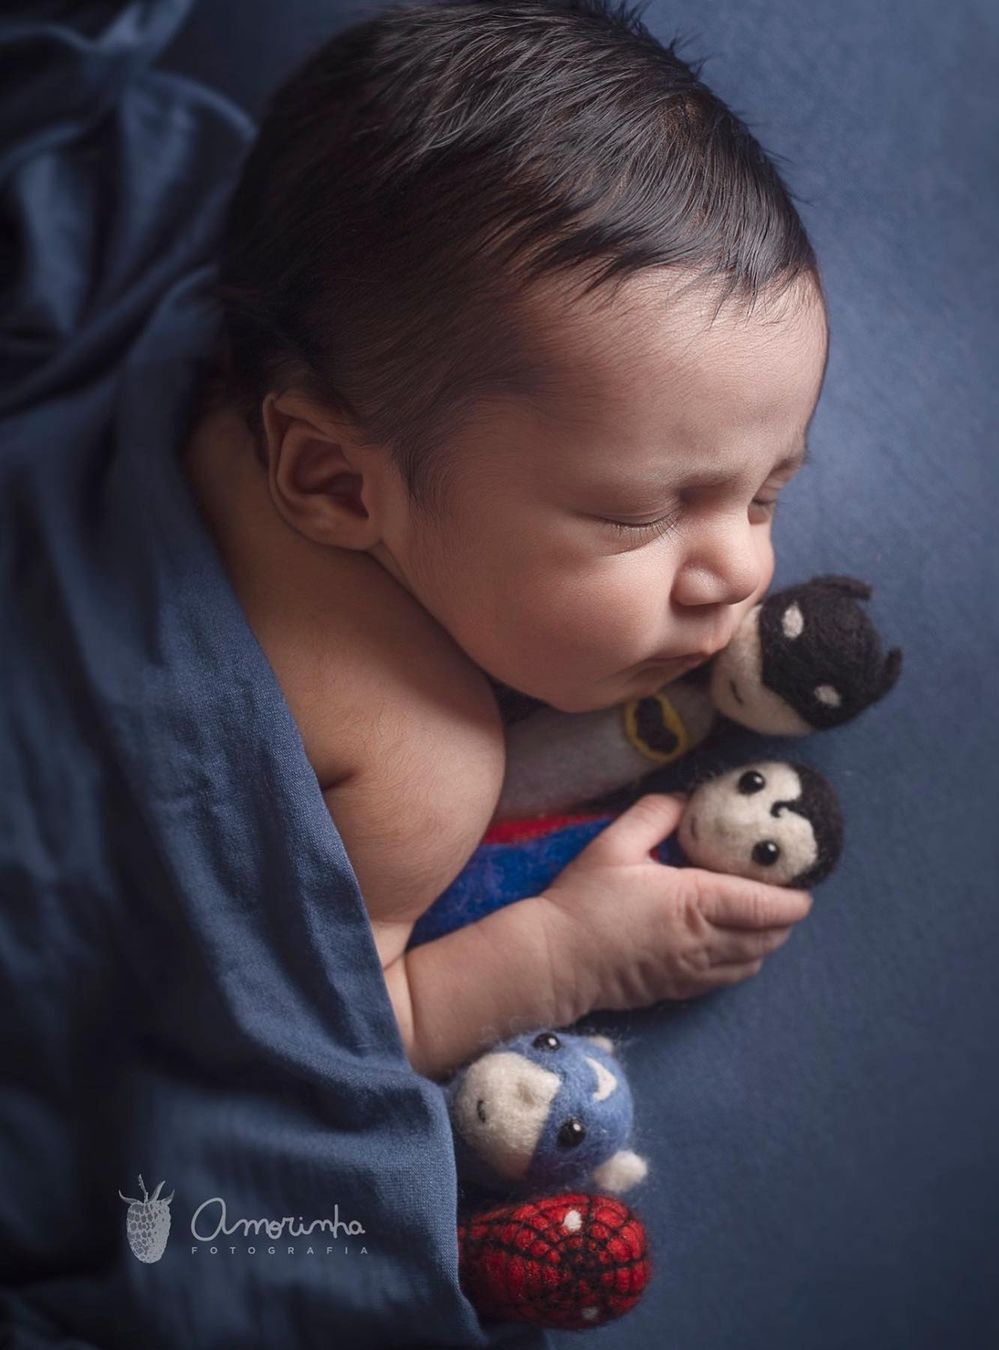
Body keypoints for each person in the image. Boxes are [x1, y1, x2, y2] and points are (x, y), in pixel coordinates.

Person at [181, 0, 827, 1081]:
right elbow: (292, 1047)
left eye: (767, 494)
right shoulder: (419, 765)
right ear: (333, 477)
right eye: (641, 515)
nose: (745, 572)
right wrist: (561, 956)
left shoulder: (210, 397)